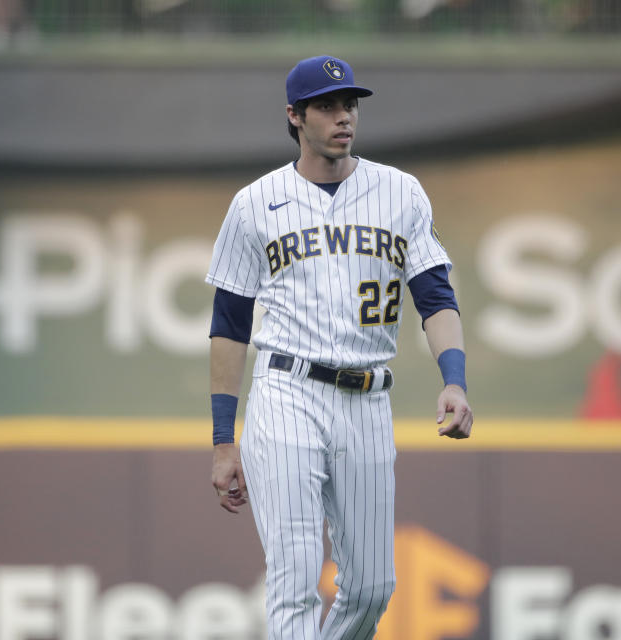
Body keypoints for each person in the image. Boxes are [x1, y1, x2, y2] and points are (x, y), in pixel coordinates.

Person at [206, 55, 473, 639]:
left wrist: (454, 380)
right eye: (327, 106)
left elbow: (435, 297)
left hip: (367, 398)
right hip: (286, 390)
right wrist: (225, 441)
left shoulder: (401, 192)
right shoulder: (255, 202)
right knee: (296, 578)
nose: (343, 116)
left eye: (350, 104)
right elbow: (229, 324)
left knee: (373, 588)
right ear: (295, 116)